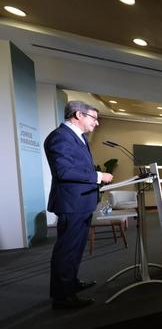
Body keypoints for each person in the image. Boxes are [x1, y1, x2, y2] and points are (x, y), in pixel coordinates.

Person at [44, 101, 113, 309]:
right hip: (71, 203)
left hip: (80, 202)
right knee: (67, 250)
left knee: (76, 248)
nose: (96, 123)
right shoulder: (60, 137)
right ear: (78, 115)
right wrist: (98, 175)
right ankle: (62, 297)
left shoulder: (78, 137)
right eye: (93, 118)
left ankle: (71, 283)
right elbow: (64, 172)